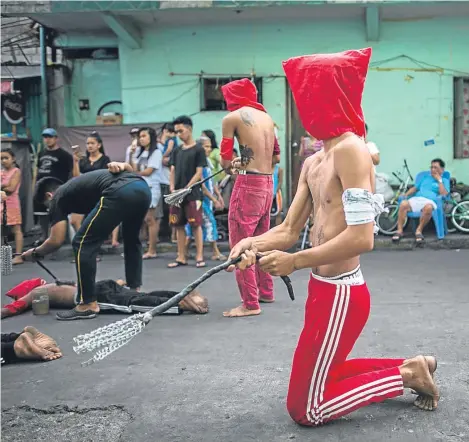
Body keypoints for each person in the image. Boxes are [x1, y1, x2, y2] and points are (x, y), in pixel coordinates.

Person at [228, 48, 439, 426]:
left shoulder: (351, 152)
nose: (302, 107)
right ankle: (413, 366)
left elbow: (362, 239)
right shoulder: (314, 160)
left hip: (342, 293)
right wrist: (251, 244)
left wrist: (294, 261)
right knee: (326, 375)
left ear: (327, 96)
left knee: (307, 410)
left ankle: (406, 377)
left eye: (307, 96)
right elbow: (289, 230)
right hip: (320, 288)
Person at [21, 163, 151, 321]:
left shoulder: (58, 197)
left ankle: (87, 303)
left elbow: (56, 240)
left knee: (81, 241)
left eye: (48, 207)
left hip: (120, 190)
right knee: (131, 239)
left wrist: (35, 253)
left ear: (49, 196)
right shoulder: (76, 190)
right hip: (142, 188)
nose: (50, 210)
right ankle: (134, 288)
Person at [219, 78, 280, 318]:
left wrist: (232, 166)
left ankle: (250, 303)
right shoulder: (266, 119)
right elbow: (273, 156)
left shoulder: (231, 119)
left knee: (240, 244)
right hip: (267, 183)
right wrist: (242, 160)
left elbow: (224, 162)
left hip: (248, 186)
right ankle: (266, 291)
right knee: (261, 241)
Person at [1, 279, 209, 319]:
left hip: (97, 295)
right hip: (104, 285)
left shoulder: (38, 291)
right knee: (139, 296)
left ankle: (182, 304)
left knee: (132, 304)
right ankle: (187, 295)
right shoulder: (54, 284)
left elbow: (15, 307)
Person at [168, 115, 207, 269]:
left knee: (196, 225)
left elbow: (199, 173)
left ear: (189, 129)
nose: (179, 134)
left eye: (181, 131)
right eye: (176, 132)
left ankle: (199, 257)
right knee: (178, 225)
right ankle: (181, 257)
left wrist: (186, 188)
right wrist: (172, 188)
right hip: (176, 194)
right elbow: (172, 169)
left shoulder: (199, 149)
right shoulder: (177, 150)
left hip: (193, 194)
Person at [392, 158, 449, 244]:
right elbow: (415, 188)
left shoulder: (444, 180)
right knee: (403, 204)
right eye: (432, 167)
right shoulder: (425, 177)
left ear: (442, 169)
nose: (433, 169)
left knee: (428, 207)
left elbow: (444, 194)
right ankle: (399, 231)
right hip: (417, 199)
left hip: (430, 201)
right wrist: (406, 195)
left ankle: (419, 231)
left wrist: (439, 180)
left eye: (435, 167)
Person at [34, 128, 74, 245]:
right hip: (41, 187)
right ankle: (44, 236)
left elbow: (70, 173)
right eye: (45, 137)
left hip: (56, 188)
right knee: (42, 214)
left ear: (56, 138)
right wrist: (34, 187)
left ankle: (59, 237)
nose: (47, 140)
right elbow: (36, 171)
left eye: (50, 137)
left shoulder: (64, 155)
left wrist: (66, 188)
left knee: (57, 212)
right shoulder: (41, 153)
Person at [129, 127, 163, 259]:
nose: (141, 139)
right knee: (145, 219)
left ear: (151, 137)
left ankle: (152, 249)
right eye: (140, 137)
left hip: (152, 188)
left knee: (151, 219)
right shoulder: (140, 152)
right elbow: (133, 168)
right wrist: (132, 154)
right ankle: (148, 247)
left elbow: (148, 171)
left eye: (144, 136)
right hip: (140, 186)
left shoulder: (156, 152)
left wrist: (135, 173)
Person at [70, 131, 112, 240]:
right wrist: (75, 161)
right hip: (84, 193)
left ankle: (93, 248)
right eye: (88, 143)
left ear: (99, 145)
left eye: (92, 143)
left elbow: (106, 177)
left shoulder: (105, 160)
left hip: (98, 194)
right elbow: (76, 176)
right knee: (75, 220)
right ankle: (85, 243)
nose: (90, 146)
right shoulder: (84, 160)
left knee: (95, 223)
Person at [1, 148, 24, 265]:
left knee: (16, 229)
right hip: (1, 204)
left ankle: (18, 256)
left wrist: (3, 186)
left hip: (12, 204)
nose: (3, 161)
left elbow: (11, 188)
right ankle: (4, 257)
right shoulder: (1, 172)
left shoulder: (16, 171)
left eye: (6, 158)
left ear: (13, 159)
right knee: (2, 230)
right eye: (1, 159)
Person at [159, 123, 178, 242]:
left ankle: (173, 235)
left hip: (168, 181)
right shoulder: (170, 140)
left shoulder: (171, 140)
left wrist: (163, 156)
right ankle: (172, 235)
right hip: (166, 180)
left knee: (171, 209)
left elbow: (169, 149)